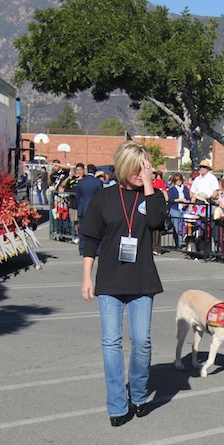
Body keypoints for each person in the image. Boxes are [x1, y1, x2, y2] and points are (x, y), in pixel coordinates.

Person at [80, 141, 167, 427]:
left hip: (142, 278)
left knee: (142, 341)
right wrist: (86, 278)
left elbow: (157, 223)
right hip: (110, 279)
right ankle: (117, 404)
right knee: (111, 342)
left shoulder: (152, 197)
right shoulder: (104, 198)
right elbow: (90, 239)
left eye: (143, 167)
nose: (138, 173)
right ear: (123, 167)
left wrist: (149, 183)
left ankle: (139, 394)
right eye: (135, 168)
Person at [74, 164, 104, 256]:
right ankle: (97, 250)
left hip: (83, 208)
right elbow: (100, 196)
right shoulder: (98, 182)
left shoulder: (81, 182)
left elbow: (78, 197)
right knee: (96, 229)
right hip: (94, 208)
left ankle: (82, 248)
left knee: (82, 229)